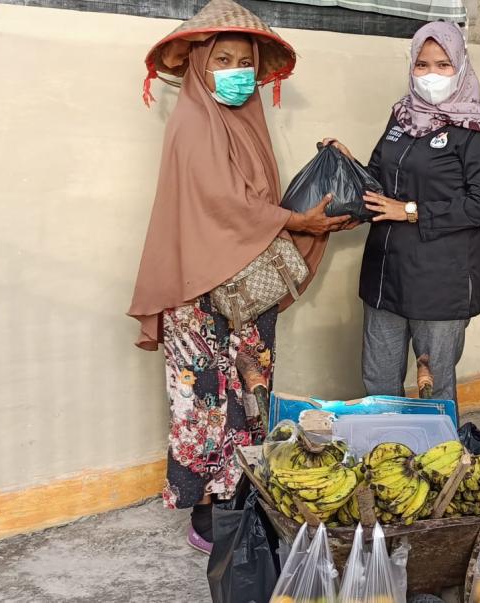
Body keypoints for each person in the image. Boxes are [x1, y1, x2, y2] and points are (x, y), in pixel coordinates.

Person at [128, 1, 352, 555]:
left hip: (244, 289)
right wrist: (294, 221)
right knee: (204, 403)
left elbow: (256, 204)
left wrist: (326, 172)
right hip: (197, 291)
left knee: (249, 396)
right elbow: (222, 203)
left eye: (244, 61)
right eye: (222, 59)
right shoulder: (192, 120)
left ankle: (241, 502)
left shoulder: (245, 122)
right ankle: (206, 516)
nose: (235, 71)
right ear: (200, 66)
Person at [325, 21, 480, 423]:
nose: (431, 75)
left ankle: (439, 474)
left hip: (439, 281)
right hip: (385, 276)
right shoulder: (401, 119)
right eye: (422, 65)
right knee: (378, 383)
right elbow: (377, 179)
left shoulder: (476, 132)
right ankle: (387, 463)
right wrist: (346, 163)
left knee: (435, 387)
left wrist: (409, 211)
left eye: (443, 65)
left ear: (461, 67)